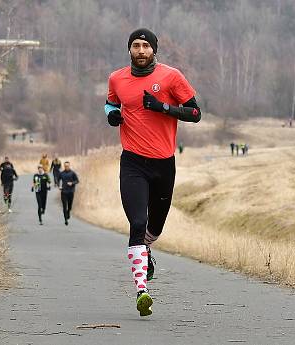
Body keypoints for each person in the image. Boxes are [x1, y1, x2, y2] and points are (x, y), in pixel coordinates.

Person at [104, 28, 201, 316]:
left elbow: (195, 113)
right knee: (137, 221)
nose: (141, 50)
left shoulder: (172, 77)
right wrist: (111, 115)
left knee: (153, 228)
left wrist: (163, 108)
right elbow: (111, 101)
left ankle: (147, 249)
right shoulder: (117, 78)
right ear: (129, 49)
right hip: (132, 162)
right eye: (136, 45)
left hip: (163, 165)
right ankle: (141, 290)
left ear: (154, 49)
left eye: (146, 45)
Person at [58, 161, 79, 226]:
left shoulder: (73, 173)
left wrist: (72, 183)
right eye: (65, 166)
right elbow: (58, 179)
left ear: (69, 166)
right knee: (64, 206)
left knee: (69, 206)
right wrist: (59, 186)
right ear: (64, 166)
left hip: (71, 192)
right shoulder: (61, 173)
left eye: (67, 166)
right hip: (64, 192)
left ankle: (68, 211)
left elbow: (77, 181)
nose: (66, 167)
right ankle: (66, 220)